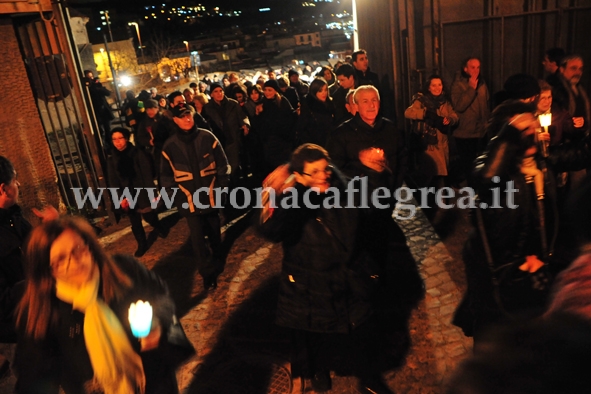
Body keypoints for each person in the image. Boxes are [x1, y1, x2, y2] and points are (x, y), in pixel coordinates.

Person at [257, 144, 395, 394]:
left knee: (362, 330)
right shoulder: (292, 202)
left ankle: (369, 378)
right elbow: (271, 230)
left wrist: (375, 172)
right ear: (299, 177)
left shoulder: (343, 187)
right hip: (311, 282)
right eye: (314, 172)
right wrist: (269, 195)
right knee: (315, 333)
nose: (322, 176)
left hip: (348, 276)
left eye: (325, 168)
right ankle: (319, 370)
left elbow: (375, 206)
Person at [452, 106, 591, 343]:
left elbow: (580, 153)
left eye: (532, 129)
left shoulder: (540, 163)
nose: (531, 136)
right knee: (493, 343)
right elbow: (486, 178)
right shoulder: (492, 167)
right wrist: (509, 134)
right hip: (497, 274)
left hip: (534, 274)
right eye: (522, 132)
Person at [14, 216, 187, 393]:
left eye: (79, 249)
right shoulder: (44, 311)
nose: (74, 261)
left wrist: (157, 331)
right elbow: (32, 377)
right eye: (60, 259)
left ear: (89, 246)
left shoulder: (125, 271)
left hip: (155, 383)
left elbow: (163, 301)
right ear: (46, 270)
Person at [160, 105, 230, 290]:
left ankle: (217, 259)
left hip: (211, 197)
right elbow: (166, 178)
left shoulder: (208, 137)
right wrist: (176, 199)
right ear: (175, 120)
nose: (187, 119)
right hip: (188, 201)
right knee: (198, 240)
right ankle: (207, 273)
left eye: (188, 115)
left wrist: (222, 189)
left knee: (215, 233)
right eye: (182, 117)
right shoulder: (170, 146)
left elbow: (223, 165)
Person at [108, 127, 168, 257]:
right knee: (134, 220)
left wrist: (152, 194)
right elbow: (113, 181)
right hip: (126, 193)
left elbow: (147, 176)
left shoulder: (138, 154)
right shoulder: (112, 158)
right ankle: (142, 243)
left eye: (120, 138)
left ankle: (160, 226)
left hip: (142, 191)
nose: (117, 142)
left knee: (148, 216)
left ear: (127, 138)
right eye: (114, 139)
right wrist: (120, 198)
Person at [405, 75, 458, 192]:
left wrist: (450, 119)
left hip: (442, 143)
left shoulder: (445, 101)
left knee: (441, 174)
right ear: (428, 87)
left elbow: (454, 115)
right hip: (429, 144)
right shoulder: (422, 101)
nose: (437, 88)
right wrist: (424, 113)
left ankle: (439, 200)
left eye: (439, 84)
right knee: (432, 174)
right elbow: (408, 113)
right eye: (433, 85)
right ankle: (434, 201)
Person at [450, 57, 491, 185]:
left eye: (478, 67)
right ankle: (470, 190)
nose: (476, 70)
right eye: (472, 67)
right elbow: (459, 106)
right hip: (465, 132)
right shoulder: (458, 84)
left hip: (481, 130)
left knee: (480, 163)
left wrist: (488, 123)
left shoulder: (482, 83)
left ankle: (477, 187)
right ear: (465, 68)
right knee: (468, 163)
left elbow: (486, 104)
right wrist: (471, 88)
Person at [202, 83, 250, 185]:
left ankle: (237, 188)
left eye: (221, 91)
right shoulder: (207, 108)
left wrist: (245, 125)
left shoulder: (233, 104)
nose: (219, 93)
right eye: (216, 91)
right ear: (211, 94)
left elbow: (242, 116)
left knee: (234, 166)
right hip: (218, 140)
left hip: (232, 139)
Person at [256, 79, 297, 174]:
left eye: (269, 90)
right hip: (270, 142)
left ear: (275, 90)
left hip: (284, 141)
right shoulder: (262, 103)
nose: (266, 92)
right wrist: (259, 114)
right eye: (265, 90)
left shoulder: (282, 101)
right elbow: (259, 124)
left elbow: (290, 117)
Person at [297, 78, 335, 147]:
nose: (324, 93)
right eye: (320, 91)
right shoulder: (308, 105)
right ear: (314, 91)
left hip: (329, 142)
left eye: (325, 90)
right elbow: (303, 127)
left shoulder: (330, 104)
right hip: (314, 143)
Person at [82, 70, 114, 151]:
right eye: (89, 77)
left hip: (104, 112)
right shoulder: (87, 87)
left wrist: (98, 85)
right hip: (95, 112)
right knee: (100, 131)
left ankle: (109, 146)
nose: (91, 78)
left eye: (91, 76)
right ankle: (102, 147)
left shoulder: (97, 85)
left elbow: (108, 93)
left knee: (107, 129)